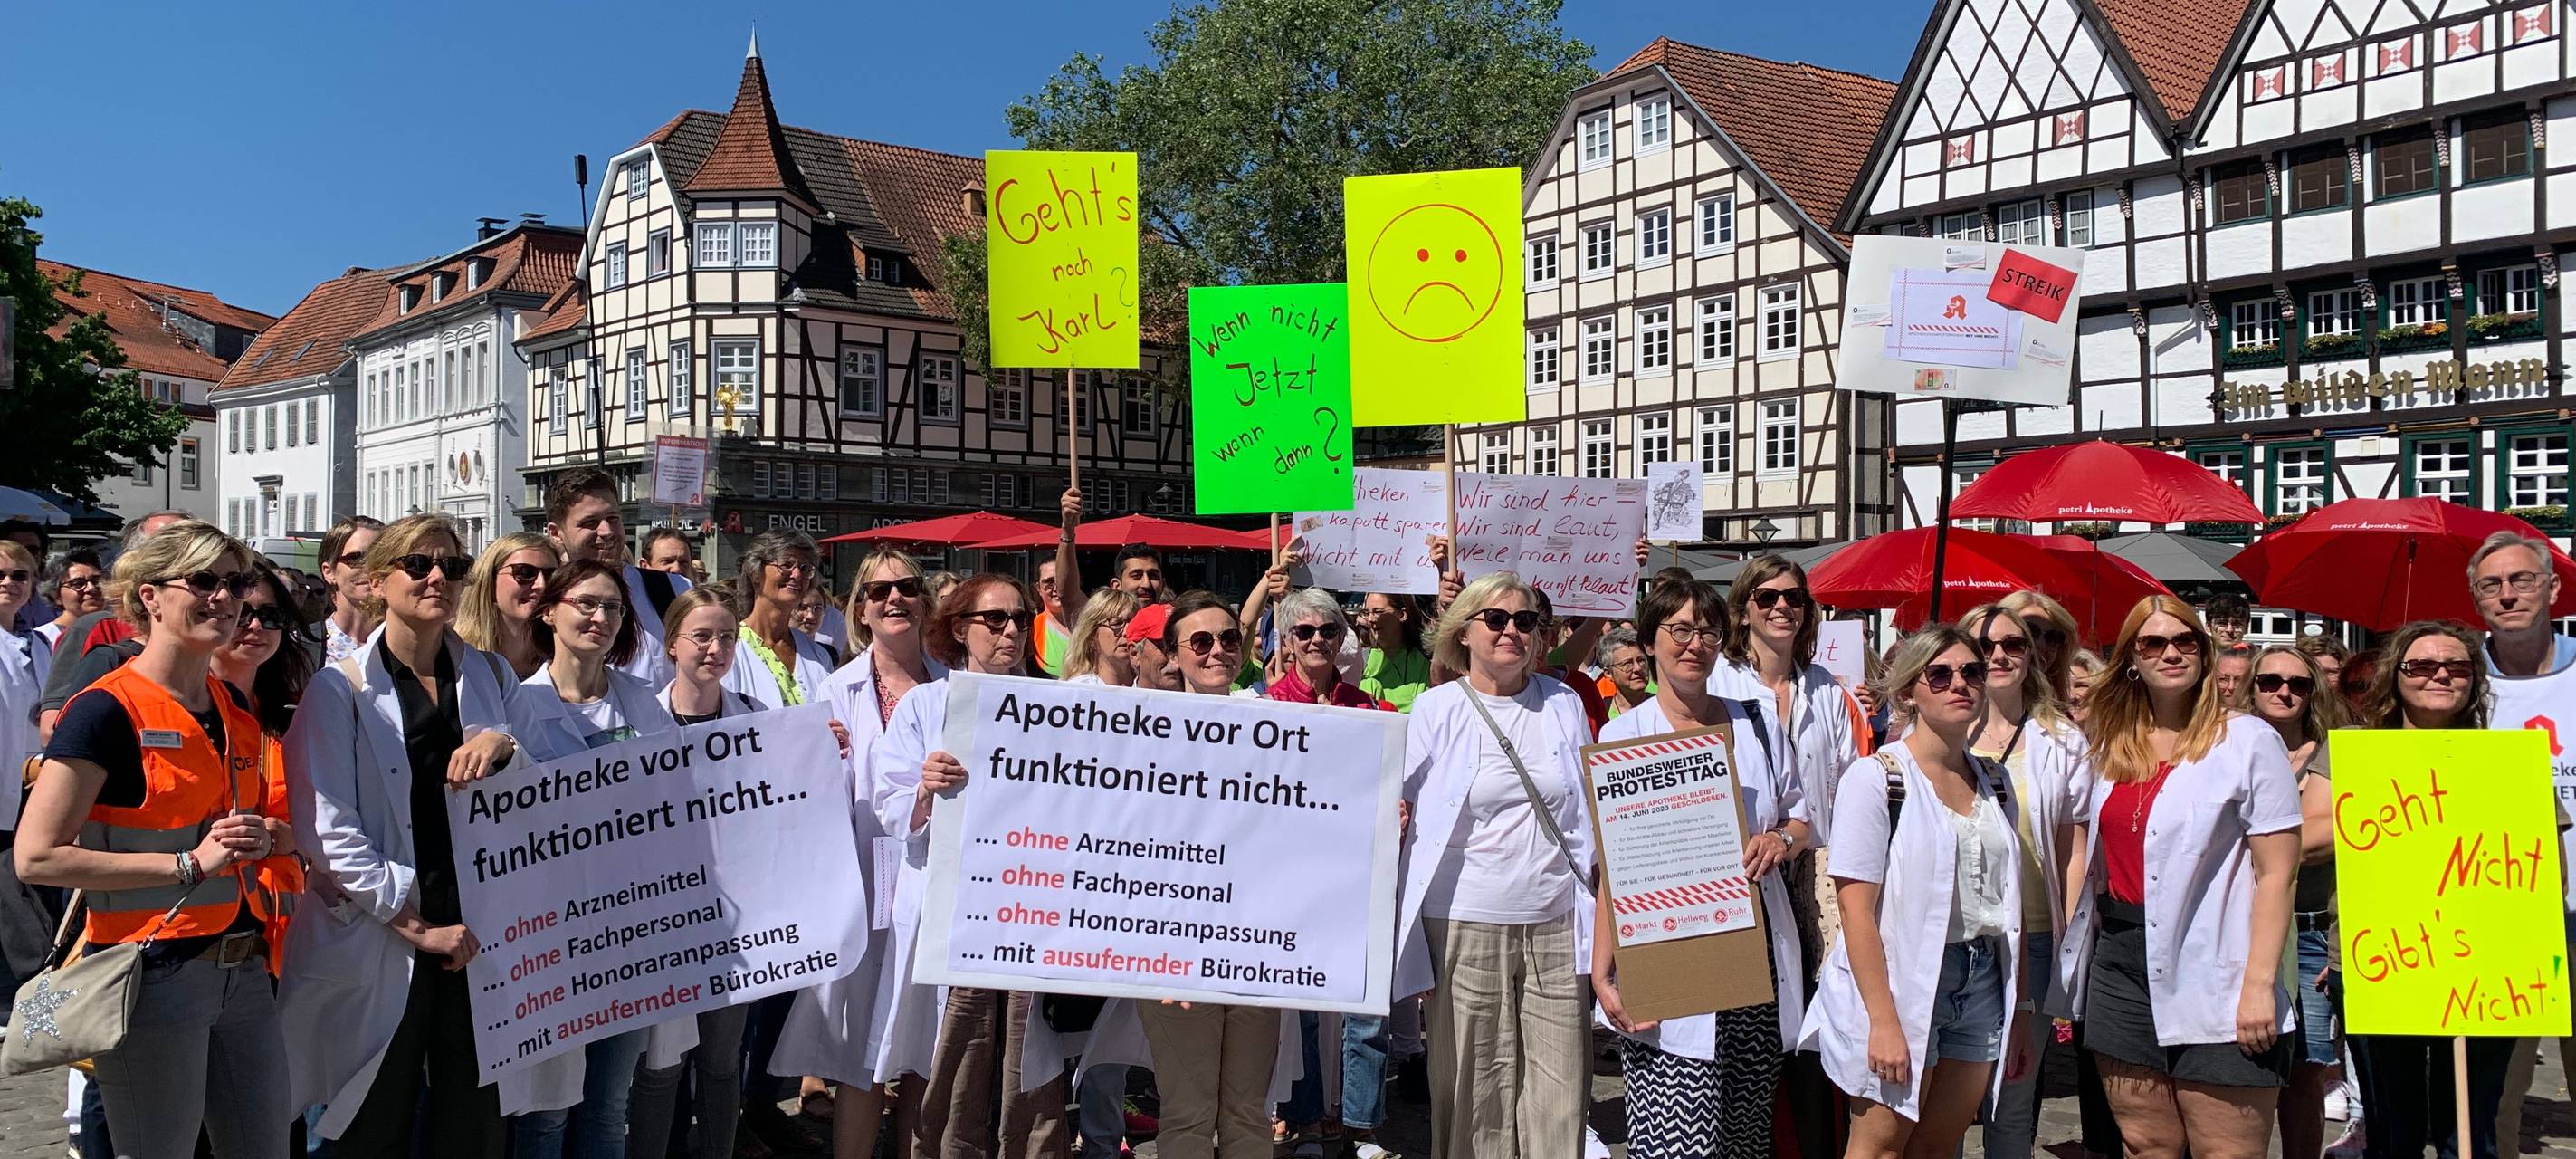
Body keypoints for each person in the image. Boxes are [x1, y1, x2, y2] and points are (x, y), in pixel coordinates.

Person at [15, 521, 298, 1159]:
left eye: (235, 583)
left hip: (244, 966)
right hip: (150, 972)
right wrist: (184, 864)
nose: (225, 599)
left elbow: (239, 827)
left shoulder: (231, 704)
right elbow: (36, 855)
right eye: (202, 581)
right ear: (149, 596)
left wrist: (271, 837)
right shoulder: (105, 708)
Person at [280, 513, 535, 1152]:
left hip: (478, 931)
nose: (437, 579)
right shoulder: (339, 690)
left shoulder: (492, 675)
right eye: (418, 565)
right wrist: (419, 927)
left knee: (474, 1122)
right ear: (375, 581)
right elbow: (327, 832)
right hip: (387, 930)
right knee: (371, 1123)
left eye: (451, 567)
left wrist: (503, 744)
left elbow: (546, 780)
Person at [2063, 595, 2299, 1159]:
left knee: (2227, 1151)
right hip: (2120, 962)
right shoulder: (2108, 748)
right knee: (2148, 1145)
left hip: (2216, 961)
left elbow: (2278, 873)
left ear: (2205, 651)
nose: (2171, 653)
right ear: (2131, 660)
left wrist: (2259, 986)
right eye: (2153, 643)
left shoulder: (2247, 741)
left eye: (2185, 640)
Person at [1591, 577, 1807, 1159]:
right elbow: (1615, 865)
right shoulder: (1623, 736)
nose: (1695, 644)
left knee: (1743, 1138)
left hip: (1750, 959)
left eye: (1707, 631)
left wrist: (1780, 839)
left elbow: (1804, 819)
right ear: (1650, 640)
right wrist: (1601, 969)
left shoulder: (1755, 723)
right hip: (1665, 955)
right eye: (1679, 629)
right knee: (1672, 1139)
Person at [1801, 624, 2033, 1159]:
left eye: (1972, 672)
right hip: (1901, 983)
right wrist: (1883, 1021)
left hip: (1981, 980)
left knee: (1938, 1146)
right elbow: (1855, 913)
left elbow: (2008, 905)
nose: (1960, 685)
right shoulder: (1876, 779)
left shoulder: (1994, 782)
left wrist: (2018, 1010)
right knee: (1879, 1148)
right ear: (1909, 691)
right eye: (1941, 674)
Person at [1393, 571, 1593, 1159]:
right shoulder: (1436, 709)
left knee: (1561, 1098)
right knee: (1475, 1096)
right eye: (1497, 620)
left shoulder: (1564, 704)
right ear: (1465, 631)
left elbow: (1588, 810)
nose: (1512, 632)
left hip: (1557, 923)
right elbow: (1398, 811)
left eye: (1525, 621)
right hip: (1464, 923)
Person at [873, 573, 1073, 1156]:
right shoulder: (928, 706)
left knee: (1030, 1069)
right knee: (958, 1062)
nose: (1010, 630)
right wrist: (925, 793)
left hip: (1031, 911)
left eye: (1019, 618)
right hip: (956, 913)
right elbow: (889, 807)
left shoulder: (1055, 705)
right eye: (994, 620)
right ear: (959, 629)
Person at [501, 557, 675, 1157]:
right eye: (585, 603)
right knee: (546, 1110)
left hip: (629, 931)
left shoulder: (645, 704)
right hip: (550, 937)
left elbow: (675, 804)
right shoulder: (515, 709)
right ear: (548, 611)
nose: (600, 617)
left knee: (608, 1106)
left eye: (613, 607)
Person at [775, 550, 941, 1159]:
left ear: (924, 600)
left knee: (928, 1043)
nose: (893, 599)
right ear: (861, 610)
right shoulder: (836, 686)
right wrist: (817, 755)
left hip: (935, 880)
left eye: (905, 587)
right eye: (877, 592)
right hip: (864, 882)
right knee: (859, 1050)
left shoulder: (951, 684)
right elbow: (808, 797)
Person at [2344, 620, 2519, 1159]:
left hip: (2483, 968)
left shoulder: (2509, 762)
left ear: (2474, 680)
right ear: (2394, 678)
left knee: (2469, 1129)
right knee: (2391, 1127)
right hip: (2383, 960)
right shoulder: (2356, 757)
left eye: (2457, 666)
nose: (2440, 675)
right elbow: (2309, 844)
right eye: (2421, 665)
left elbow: (2544, 867)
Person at [1722, 554, 1862, 1159]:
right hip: (1739, 874)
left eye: (1794, 598)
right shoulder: (1720, 683)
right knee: (1745, 1030)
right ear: (1744, 608)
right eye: (1767, 597)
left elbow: (1845, 790)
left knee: (1812, 1028)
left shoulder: (1825, 688)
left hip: (1816, 878)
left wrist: (1797, 840)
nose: (1782, 607)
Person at [1142, 589, 1288, 1158]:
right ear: (1173, 654)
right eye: (1199, 641)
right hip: (1175, 951)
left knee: (1250, 1110)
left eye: (1229, 639)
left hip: (1258, 946)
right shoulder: (1138, 730)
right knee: (1187, 1111)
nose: (1216, 651)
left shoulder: (1274, 723)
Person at [628, 586, 765, 1159]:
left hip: (736, 919)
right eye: (702, 636)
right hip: (664, 917)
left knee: (719, 1060)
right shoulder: (640, 722)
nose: (716, 649)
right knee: (660, 1065)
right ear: (672, 644)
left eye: (727, 637)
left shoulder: (758, 719)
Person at [718, 531, 841, 1154]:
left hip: (811, 838)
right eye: (784, 566)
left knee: (789, 984)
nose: (796, 577)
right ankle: (728, 1110)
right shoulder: (730, 648)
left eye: (805, 568)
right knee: (751, 985)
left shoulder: (819, 654)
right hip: (751, 841)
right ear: (757, 573)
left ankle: (763, 1101)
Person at [1960, 605, 2095, 1159]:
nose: (1998, 656)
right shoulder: (1934, 733)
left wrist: (2067, 940)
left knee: (2013, 1101)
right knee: (1948, 1097)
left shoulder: (2061, 740)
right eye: (1984, 644)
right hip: (1957, 941)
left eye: (2013, 644)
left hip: (2034, 940)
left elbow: (2073, 850)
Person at [2469, 531, 2576, 1155]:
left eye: (2522, 580)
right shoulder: (2456, 684)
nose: (2507, 595)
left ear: (2553, 588)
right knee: (2497, 1096)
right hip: (2501, 918)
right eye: (2491, 584)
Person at [2239, 645, 2346, 1159]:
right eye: (2270, 681)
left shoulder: (2334, 749)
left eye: (2299, 684)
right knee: (2247, 1066)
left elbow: (2328, 837)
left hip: (2308, 929)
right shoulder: (2225, 743)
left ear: (2314, 693)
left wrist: (2247, 841)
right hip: (2236, 925)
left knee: (2306, 1072)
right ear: (2250, 687)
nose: (2284, 692)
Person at [38, 511, 189, 742]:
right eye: (166, 547)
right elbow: (54, 729)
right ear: (137, 561)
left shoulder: (216, 629)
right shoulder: (96, 628)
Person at [542, 466, 689, 684]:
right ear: (556, 533)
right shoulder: (543, 598)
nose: (607, 531)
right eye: (590, 523)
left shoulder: (673, 590)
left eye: (613, 519)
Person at [455, 532, 560, 680]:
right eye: (524, 572)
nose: (541, 585)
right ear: (490, 582)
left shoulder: (564, 661)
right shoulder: (458, 660)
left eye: (551, 575)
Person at [317, 516, 385, 666]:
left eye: (380, 558)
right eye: (356, 558)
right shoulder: (305, 646)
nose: (370, 568)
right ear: (329, 572)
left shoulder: (408, 644)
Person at [1358, 592, 1433, 712]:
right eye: (1366, 613)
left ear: (1402, 614)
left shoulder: (1427, 657)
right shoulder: (1361, 662)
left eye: (1378, 612)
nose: (1370, 620)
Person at [1061, 587, 1141, 686]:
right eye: (1117, 623)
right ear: (1092, 637)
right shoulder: (1077, 690)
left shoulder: (1151, 687)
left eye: (1134, 623)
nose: (1127, 631)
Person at [38, 548, 105, 652]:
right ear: (56, 595)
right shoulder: (43, 640)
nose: (91, 588)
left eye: (97, 581)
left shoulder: (117, 633)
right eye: (78, 584)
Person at [1596, 627, 1650, 720]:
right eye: (1627, 664)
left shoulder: (1664, 707)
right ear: (1608, 673)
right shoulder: (1601, 714)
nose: (1638, 668)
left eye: (1641, 660)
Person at [1033, 557, 1073, 676]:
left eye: (1063, 580)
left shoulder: (1093, 626)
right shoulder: (1031, 629)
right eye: (1049, 583)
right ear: (1038, 588)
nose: (1057, 588)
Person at [1128, 602, 1180, 692]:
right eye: (1165, 647)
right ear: (1135, 654)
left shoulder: (1204, 703)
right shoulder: (1116, 704)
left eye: (1180, 646)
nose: (1176, 662)